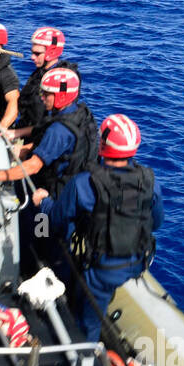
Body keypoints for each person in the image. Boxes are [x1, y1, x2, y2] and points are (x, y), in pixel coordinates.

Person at [37, 113, 163, 341]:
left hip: (102, 272)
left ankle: (84, 360)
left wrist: (43, 201)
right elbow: (156, 222)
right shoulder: (149, 181)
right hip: (137, 262)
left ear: (103, 145)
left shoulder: (84, 184)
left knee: (87, 324)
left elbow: (55, 220)